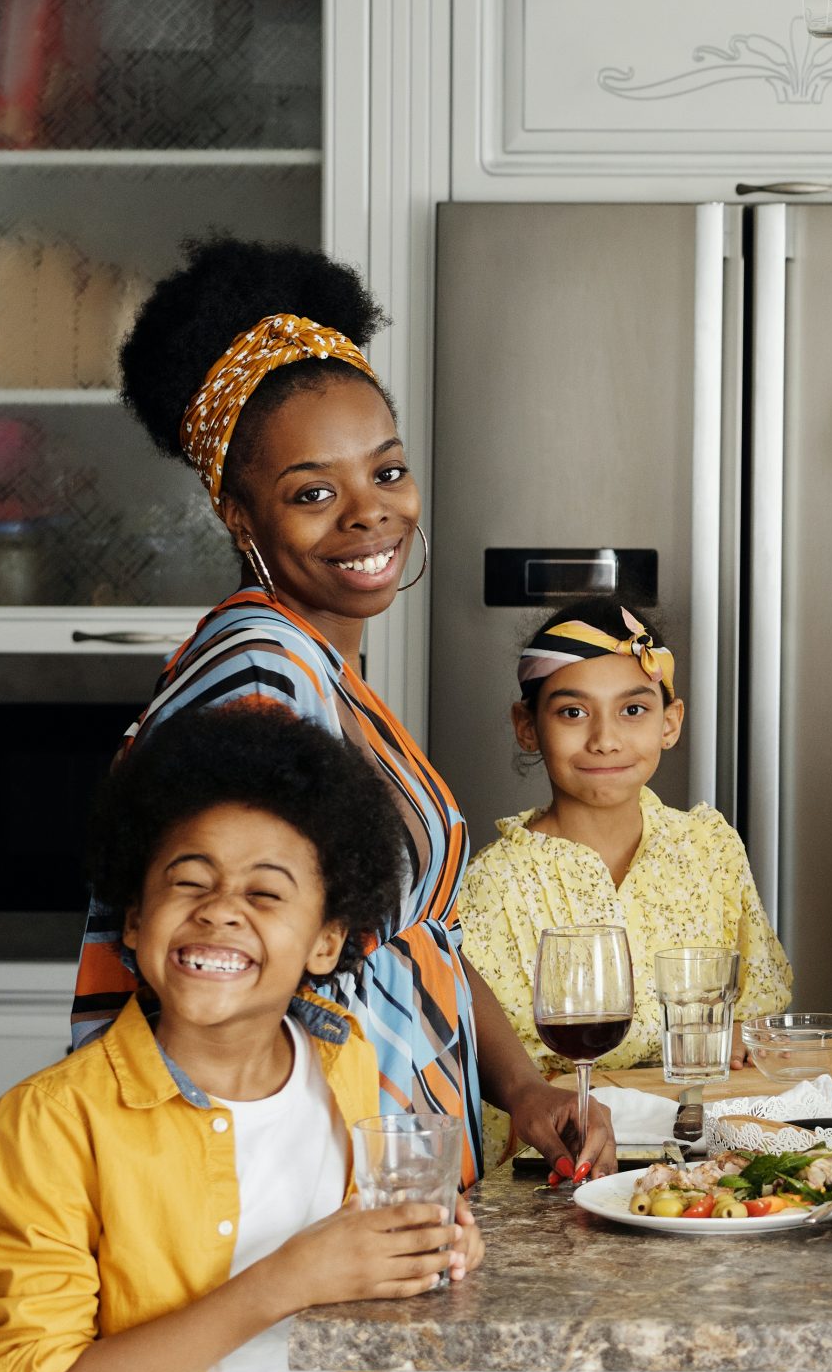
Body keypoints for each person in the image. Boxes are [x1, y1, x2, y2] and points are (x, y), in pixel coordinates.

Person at [79, 236, 614, 1183]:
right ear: (241, 516)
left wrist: (524, 1088)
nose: (369, 514)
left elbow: (415, 936)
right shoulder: (260, 679)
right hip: (304, 1196)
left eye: (389, 471)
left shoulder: (324, 668)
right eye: (314, 492)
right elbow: (226, 971)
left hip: (397, 1182)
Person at [0, 705, 482, 1372]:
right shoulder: (49, 1123)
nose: (219, 911)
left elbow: (349, 1265)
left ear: (325, 941)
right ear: (134, 916)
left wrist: (421, 1251)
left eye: (264, 893)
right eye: (189, 881)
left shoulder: (342, 1060)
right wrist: (283, 1280)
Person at [458, 601, 791, 1152]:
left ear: (670, 722)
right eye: (573, 713)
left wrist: (738, 1036)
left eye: (632, 710)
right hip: (556, 1159)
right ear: (527, 727)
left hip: (701, 1147)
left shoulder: (709, 849)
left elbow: (758, 1005)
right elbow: (490, 1057)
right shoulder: (496, 881)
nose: (605, 739)